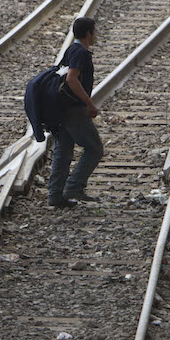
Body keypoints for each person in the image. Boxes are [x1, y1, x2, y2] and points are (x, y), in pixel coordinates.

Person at [48, 17, 103, 208]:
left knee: (62, 151)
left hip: (60, 108)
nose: (96, 35)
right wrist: (89, 104)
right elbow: (72, 79)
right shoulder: (81, 52)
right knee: (95, 149)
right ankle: (74, 187)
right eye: (95, 31)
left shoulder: (71, 49)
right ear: (88, 33)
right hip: (73, 109)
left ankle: (55, 195)